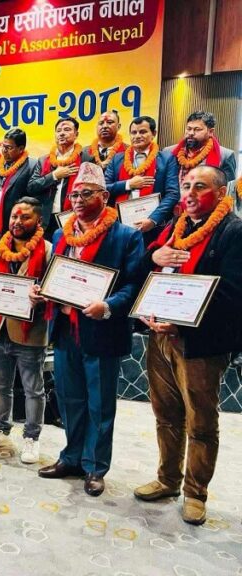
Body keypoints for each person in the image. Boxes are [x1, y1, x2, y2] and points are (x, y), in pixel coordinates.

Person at [135, 166, 242, 525]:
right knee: (165, 414)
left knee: (201, 421)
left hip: (201, 343)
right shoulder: (174, 227)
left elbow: (233, 293)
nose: (190, 193)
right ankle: (167, 480)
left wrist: (181, 320)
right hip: (159, 336)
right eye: (185, 186)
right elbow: (144, 270)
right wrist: (153, 257)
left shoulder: (234, 231)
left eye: (200, 186)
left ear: (221, 192)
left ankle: (196, 493)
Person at [30, 162, 144, 496]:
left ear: (105, 197)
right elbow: (55, 277)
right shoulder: (60, 234)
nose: (78, 200)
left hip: (102, 331)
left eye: (86, 194)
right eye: (74, 194)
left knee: (100, 404)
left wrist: (108, 306)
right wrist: (40, 291)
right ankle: (72, 458)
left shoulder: (126, 236)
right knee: (70, 399)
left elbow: (135, 285)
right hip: (66, 330)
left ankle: (95, 467)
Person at [0, 198, 52, 464]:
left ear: (38, 221)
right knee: (0, 385)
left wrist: (42, 297)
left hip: (31, 331)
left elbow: (55, 291)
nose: (17, 222)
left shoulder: (48, 250)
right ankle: (1, 430)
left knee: (33, 389)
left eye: (25, 217)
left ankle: (32, 437)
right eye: (14, 217)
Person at [104, 116, 180, 238]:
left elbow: (173, 194)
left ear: (153, 134)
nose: (137, 136)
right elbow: (104, 189)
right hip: (120, 226)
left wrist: (153, 220)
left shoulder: (167, 159)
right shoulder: (117, 159)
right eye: (134, 132)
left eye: (143, 132)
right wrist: (128, 184)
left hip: (153, 227)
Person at [28, 117, 84, 238]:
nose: (62, 133)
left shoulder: (85, 158)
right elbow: (32, 187)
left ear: (76, 134)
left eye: (67, 129)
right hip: (46, 219)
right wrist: (54, 175)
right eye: (58, 131)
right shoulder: (43, 160)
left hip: (74, 217)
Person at [0, 129, 38, 234]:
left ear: (21, 149)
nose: (4, 150)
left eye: (9, 148)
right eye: (3, 146)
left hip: (17, 224)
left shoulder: (32, 166)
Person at [165, 111, 237, 185]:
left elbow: (226, 188)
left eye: (197, 129)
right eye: (188, 129)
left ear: (210, 132)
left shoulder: (226, 156)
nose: (191, 133)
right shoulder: (168, 152)